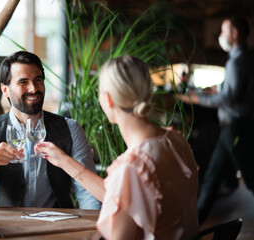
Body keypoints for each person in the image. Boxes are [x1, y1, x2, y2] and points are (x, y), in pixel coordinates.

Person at [36, 55, 199, 239]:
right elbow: (122, 195)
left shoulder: (133, 167)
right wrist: (64, 161)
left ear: (108, 99)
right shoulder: (176, 141)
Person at [0, 51, 101, 209]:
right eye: (23, 82)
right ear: (5, 90)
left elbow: (89, 195)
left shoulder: (71, 129)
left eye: (38, 80)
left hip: (58, 227)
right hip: (4, 228)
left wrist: (89, 231)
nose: (33, 88)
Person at [178, 16, 254, 224]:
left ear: (234, 34)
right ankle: (193, 226)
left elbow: (229, 97)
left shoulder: (237, 61)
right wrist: (213, 89)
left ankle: (193, 226)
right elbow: (230, 89)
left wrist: (195, 98)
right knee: (212, 177)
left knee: (249, 178)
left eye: (222, 31)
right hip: (233, 127)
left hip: (235, 127)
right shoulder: (242, 59)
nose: (220, 36)